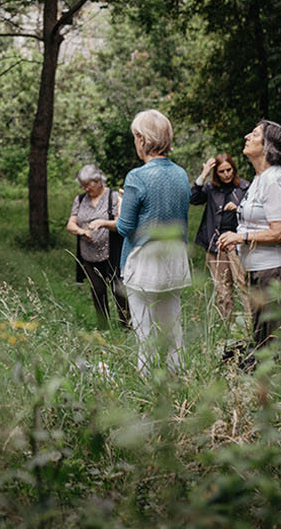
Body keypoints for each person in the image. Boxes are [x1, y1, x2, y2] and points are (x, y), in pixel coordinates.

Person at [218, 120, 281, 360]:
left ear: (268, 146)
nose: (247, 136)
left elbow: (280, 232)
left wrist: (241, 237)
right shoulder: (261, 178)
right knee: (265, 340)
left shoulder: (274, 180)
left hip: (276, 271)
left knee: (277, 345)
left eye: (254, 134)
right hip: (261, 269)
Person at [115, 109, 191, 374]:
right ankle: (178, 381)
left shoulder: (137, 176)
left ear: (142, 139)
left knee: (144, 333)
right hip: (175, 257)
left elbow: (125, 227)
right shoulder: (181, 174)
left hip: (144, 259)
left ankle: (146, 390)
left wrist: (123, 203)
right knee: (174, 331)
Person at [67, 164, 130, 327]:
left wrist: (102, 223)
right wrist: (82, 232)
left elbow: (120, 224)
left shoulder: (114, 197)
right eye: (83, 186)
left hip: (112, 253)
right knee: (97, 290)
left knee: (119, 292)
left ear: (99, 181)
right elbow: (70, 224)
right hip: (89, 255)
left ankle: (127, 326)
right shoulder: (80, 199)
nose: (86, 189)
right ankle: (104, 327)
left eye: (89, 185)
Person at [190, 152, 250, 324]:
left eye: (229, 170)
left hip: (237, 242)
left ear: (234, 169)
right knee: (222, 289)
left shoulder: (245, 187)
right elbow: (193, 198)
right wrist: (203, 174)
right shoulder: (210, 189)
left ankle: (251, 323)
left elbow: (255, 212)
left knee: (243, 284)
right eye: (222, 171)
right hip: (215, 243)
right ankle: (228, 325)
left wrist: (238, 208)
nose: (226, 174)